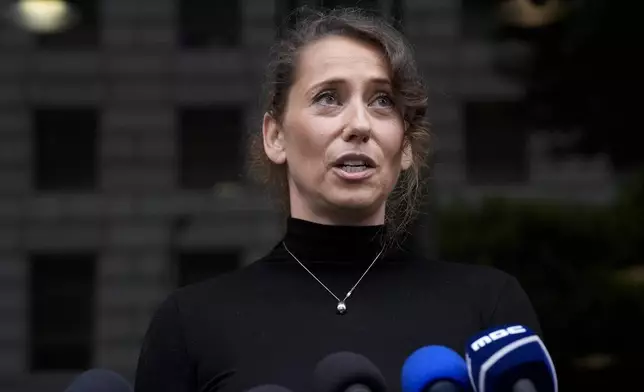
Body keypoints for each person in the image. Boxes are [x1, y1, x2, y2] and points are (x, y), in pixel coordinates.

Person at [135, 7, 541, 392]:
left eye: (382, 101)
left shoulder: (488, 308)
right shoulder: (191, 324)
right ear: (275, 137)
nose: (359, 125)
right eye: (328, 97)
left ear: (405, 147)